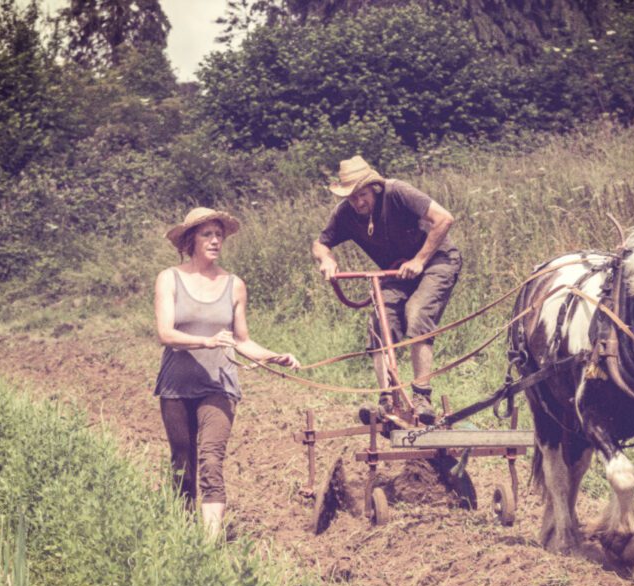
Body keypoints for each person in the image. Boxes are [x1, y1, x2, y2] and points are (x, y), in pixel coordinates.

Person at [155, 207, 299, 538]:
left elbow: (242, 341)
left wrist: (274, 357)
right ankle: (183, 530)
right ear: (190, 240)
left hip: (219, 386)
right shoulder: (169, 278)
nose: (215, 240)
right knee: (182, 464)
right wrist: (205, 341)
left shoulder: (234, 285)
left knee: (211, 461)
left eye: (219, 234)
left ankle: (208, 544)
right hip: (175, 386)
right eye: (207, 234)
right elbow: (165, 333)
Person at [312, 155, 461, 424]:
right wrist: (327, 260)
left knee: (417, 313)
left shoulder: (397, 193)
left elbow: (444, 219)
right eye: (352, 197)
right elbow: (321, 243)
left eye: (363, 195)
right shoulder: (346, 213)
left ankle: (421, 396)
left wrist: (420, 260)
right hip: (396, 269)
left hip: (436, 259)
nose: (358, 202)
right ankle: (387, 399)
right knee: (379, 322)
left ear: (374, 188)